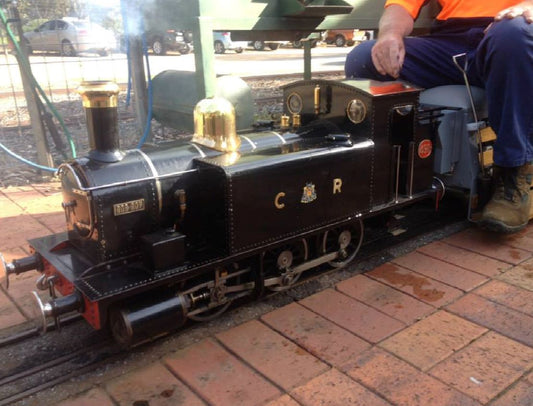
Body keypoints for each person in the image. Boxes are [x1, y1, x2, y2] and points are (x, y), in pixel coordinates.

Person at [345, 0, 533, 233]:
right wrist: (390, 35)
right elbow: (401, 6)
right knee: (364, 58)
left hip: (510, 36)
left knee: (513, 35)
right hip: (450, 45)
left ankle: (515, 177)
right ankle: (384, 171)